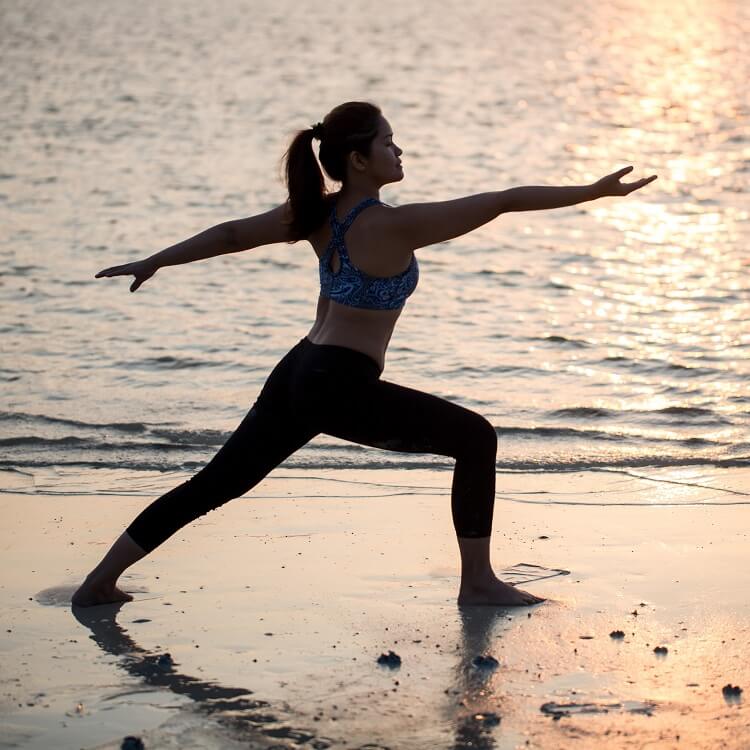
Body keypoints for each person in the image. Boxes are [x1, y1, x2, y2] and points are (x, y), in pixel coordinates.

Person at [72, 101, 656, 608]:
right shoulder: (395, 226)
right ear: (359, 159)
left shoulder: (314, 215)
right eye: (387, 141)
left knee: (216, 483)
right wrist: (592, 192)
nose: (399, 150)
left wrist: (156, 259)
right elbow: (502, 200)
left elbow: (229, 234)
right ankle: (477, 583)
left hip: (299, 370)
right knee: (477, 438)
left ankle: (99, 581)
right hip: (338, 383)